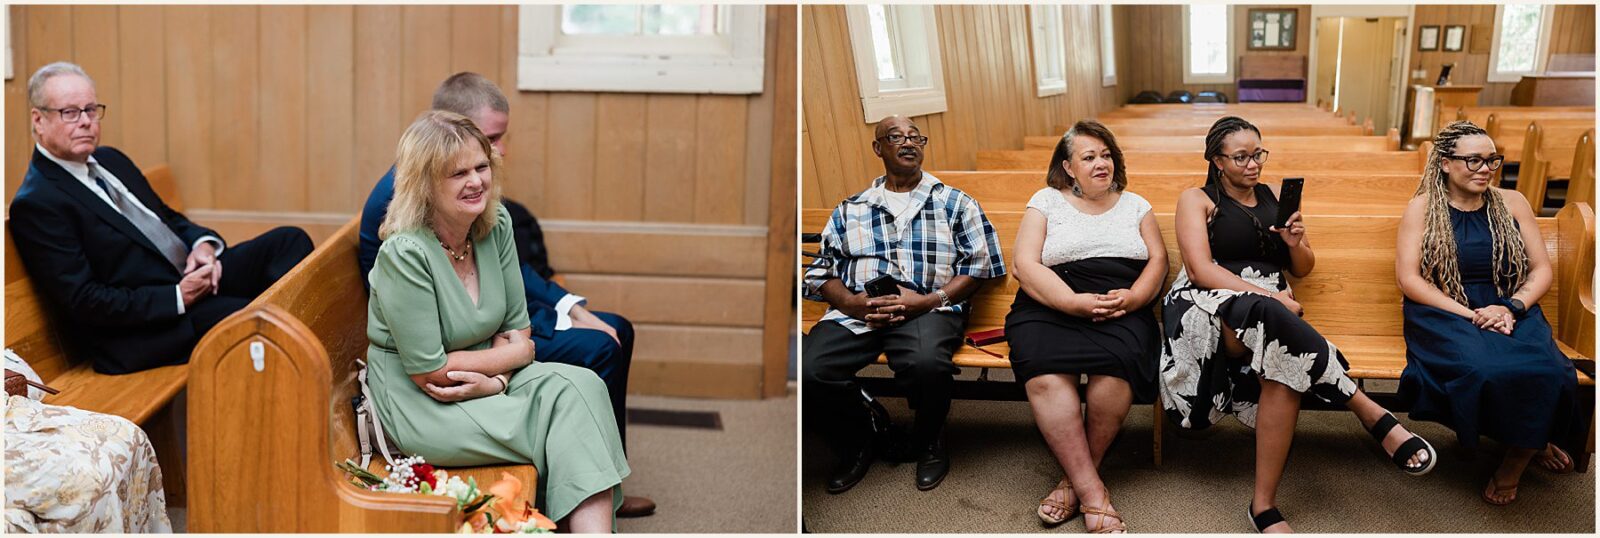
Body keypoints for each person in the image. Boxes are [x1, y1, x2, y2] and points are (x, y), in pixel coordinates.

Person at [355, 72, 651, 516]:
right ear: (427, 184)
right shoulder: (405, 252)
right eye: (459, 173)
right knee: (561, 417)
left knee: (585, 386)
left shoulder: (495, 224)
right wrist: (512, 357)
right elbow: (430, 373)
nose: (477, 181)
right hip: (424, 404)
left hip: (483, 375)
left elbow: (520, 329)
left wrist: (499, 377)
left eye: (482, 166)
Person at [1160, 116, 1437, 533]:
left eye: (1258, 154)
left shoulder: (1274, 197)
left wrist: (1295, 243)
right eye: (1241, 157)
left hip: (1274, 314)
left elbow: (1303, 269)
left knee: (1285, 363)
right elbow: (1200, 270)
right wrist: (1270, 296)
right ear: (1217, 160)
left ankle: (1264, 507)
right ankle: (1368, 411)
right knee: (1272, 316)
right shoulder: (1197, 199)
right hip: (1209, 306)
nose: (1253, 164)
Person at [8, 62, 312, 375]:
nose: (85, 121)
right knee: (260, 320)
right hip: (152, 325)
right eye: (70, 112)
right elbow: (86, 301)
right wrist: (179, 296)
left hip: (190, 280)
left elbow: (167, 218)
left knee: (290, 241)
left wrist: (202, 246)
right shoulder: (38, 203)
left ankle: (305, 361)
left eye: (90, 109)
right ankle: (298, 378)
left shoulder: (111, 159)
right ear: (38, 120)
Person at [802, 115, 1006, 493]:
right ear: (879, 148)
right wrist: (852, 303)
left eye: (915, 137)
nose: (908, 142)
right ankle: (860, 439)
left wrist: (928, 300)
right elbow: (819, 272)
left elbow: (982, 265)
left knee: (926, 363)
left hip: (927, 307)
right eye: (896, 137)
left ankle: (928, 440)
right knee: (809, 370)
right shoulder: (852, 208)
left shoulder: (954, 202)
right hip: (859, 311)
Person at [1395, 120, 1578, 506]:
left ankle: (1520, 452)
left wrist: (1510, 307)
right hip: (1444, 308)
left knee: (1552, 369)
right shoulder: (1424, 207)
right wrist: (1470, 314)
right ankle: (1529, 436)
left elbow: (1541, 269)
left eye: (1492, 160)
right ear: (1445, 163)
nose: (1485, 169)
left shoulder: (1512, 202)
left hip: (1509, 305)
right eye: (1473, 160)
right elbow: (1410, 279)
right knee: (1482, 369)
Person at [1006, 120, 1165, 533]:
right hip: (1052, 301)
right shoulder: (1046, 200)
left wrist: (1134, 297)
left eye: (1106, 155)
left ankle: (1073, 481)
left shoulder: (1136, 205)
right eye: (1089, 157)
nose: (1101, 163)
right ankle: (1093, 492)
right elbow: (1024, 263)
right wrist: (1071, 303)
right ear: (1068, 167)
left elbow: (1158, 262)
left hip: (1120, 304)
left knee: (1120, 365)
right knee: (1042, 367)